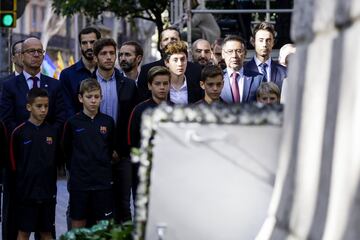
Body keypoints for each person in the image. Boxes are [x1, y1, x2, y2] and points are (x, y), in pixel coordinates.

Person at [0, 37, 65, 240]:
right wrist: (27, 136)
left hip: (46, 159)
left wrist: (44, 137)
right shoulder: (10, 85)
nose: (36, 55)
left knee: (46, 221)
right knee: (17, 218)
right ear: (21, 55)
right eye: (31, 51)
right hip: (17, 160)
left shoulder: (54, 85)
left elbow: (61, 117)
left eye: (40, 51)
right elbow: (6, 119)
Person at [92, 38, 138, 223]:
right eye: (104, 54)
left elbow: (131, 122)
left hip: (122, 155)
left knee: (123, 207)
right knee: (96, 208)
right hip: (94, 155)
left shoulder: (127, 84)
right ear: (96, 58)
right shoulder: (86, 84)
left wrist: (119, 149)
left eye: (112, 53)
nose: (109, 57)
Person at [62, 78, 115, 228]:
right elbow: (67, 150)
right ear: (80, 98)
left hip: (102, 183)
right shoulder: (72, 123)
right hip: (80, 183)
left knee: (103, 226)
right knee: (78, 223)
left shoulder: (108, 122)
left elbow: (110, 148)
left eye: (96, 97)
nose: (93, 101)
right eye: (89, 97)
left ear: (101, 98)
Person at [10, 88, 58, 240]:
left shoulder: (52, 132)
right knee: (23, 233)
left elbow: (57, 160)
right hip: (25, 195)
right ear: (29, 107)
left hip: (47, 193)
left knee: (46, 233)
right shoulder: (19, 133)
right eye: (39, 106)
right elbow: (13, 164)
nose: (43, 110)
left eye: (46, 106)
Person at [128, 66, 172, 201]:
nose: (162, 87)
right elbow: (132, 142)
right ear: (149, 85)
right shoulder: (139, 110)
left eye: (165, 83)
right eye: (157, 84)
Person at [137, 27, 202, 102]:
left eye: (173, 39)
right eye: (166, 39)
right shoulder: (147, 70)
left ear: (180, 42)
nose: (170, 42)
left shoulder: (196, 70)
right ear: (160, 44)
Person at [60, 27, 101, 118]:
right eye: (84, 43)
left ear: (99, 44)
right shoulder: (67, 75)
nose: (89, 46)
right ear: (80, 46)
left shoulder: (106, 73)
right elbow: (67, 108)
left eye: (92, 42)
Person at [244, 21, 287, 90]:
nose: (264, 44)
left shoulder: (284, 72)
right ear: (253, 42)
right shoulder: (244, 71)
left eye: (268, 40)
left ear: (273, 42)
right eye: (261, 40)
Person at [220, 35, 263, 103]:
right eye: (230, 51)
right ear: (223, 54)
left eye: (239, 51)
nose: (234, 56)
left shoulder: (258, 79)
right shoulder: (217, 78)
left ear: (245, 54)